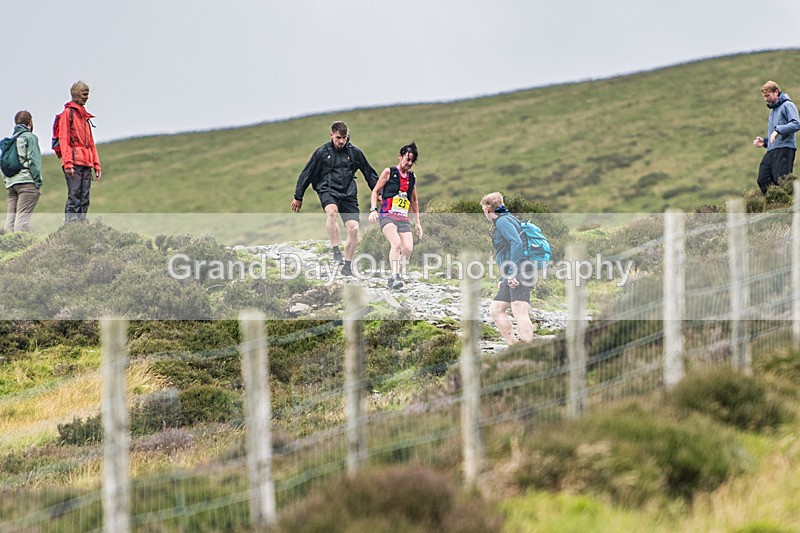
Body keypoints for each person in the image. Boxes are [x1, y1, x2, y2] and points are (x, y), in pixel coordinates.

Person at [291, 121, 379, 276]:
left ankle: (347, 265)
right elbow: (307, 173)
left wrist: (378, 193)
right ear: (331, 135)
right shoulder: (322, 153)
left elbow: (369, 173)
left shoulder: (354, 153)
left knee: (354, 229)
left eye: (344, 137)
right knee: (332, 213)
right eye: (338, 137)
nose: (341, 141)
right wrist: (298, 196)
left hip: (348, 193)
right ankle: (335, 250)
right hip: (328, 190)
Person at [481, 192, 535, 346]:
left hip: (521, 269)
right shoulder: (505, 219)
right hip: (514, 270)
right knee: (496, 309)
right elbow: (506, 251)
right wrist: (504, 277)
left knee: (519, 309)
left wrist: (511, 274)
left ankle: (529, 350)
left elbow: (516, 244)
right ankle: (514, 347)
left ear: (487, 209)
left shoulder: (503, 222)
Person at [368, 141, 423, 290]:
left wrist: (417, 223)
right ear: (400, 157)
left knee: (408, 249)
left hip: (403, 218)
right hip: (387, 215)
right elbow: (375, 191)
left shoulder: (412, 178)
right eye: (407, 159)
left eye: (412, 161)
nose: (409, 163)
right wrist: (373, 209)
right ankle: (395, 276)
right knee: (396, 244)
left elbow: (414, 200)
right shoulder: (389, 172)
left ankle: (397, 276)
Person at [58, 81, 102, 223]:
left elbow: (90, 143)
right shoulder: (67, 114)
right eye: (84, 94)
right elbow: (63, 139)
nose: (86, 98)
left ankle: (82, 226)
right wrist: (67, 163)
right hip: (74, 162)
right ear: (76, 94)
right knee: (74, 195)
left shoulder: (85, 117)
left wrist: (96, 164)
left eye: (87, 94)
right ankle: (71, 226)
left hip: (86, 163)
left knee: (84, 197)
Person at [752, 80, 800, 194]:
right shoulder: (773, 111)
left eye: (768, 95)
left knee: (782, 181)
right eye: (764, 96)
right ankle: (774, 202)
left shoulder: (787, 105)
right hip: (772, 150)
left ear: (776, 91)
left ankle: (787, 203)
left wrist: (778, 130)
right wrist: (765, 142)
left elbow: (796, 124)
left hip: (785, 149)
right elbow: (775, 136)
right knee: (763, 179)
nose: (766, 99)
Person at [3, 111, 43, 232]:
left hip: (11, 184)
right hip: (26, 182)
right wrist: (37, 182)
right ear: (30, 122)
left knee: (10, 220)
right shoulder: (30, 137)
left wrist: (7, 181)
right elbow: (34, 161)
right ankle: (20, 245)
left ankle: (7, 247)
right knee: (22, 219)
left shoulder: (10, 141)